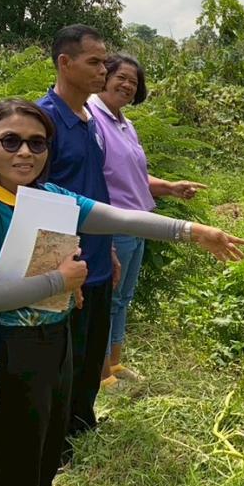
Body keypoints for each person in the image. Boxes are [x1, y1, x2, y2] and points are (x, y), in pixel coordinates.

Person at [0, 97, 244, 486]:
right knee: (16, 474)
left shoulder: (50, 197)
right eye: (10, 141)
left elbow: (116, 215)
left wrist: (193, 232)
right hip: (10, 354)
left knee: (42, 460)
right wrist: (57, 283)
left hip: (53, 342)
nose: (24, 152)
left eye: (37, 143)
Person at [89, 53, 207, 384]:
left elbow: (132, 177)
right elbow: (93, 180)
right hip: (111, 224)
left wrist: (169, 187)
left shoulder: (124, 123)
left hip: (136, 221)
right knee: (105, 300)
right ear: (104, 76)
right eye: (121, 77)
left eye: (134, 81)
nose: (127, 85)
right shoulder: (92, 120)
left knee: (122, 298)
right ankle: (99, 376)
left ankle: (114, 364)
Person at [36, 25, 116, 447]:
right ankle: (58, 441)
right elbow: (35, 199)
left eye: (105, 61)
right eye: (94, 62)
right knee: (63, 357)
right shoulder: (42, 121)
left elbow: (95, 186)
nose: (103, 70)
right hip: (66, 264)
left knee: (89, 353)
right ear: (64, 63)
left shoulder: (90, 118)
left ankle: (83, 425)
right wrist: (60, 265)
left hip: (99, 257)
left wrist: (111, 252)